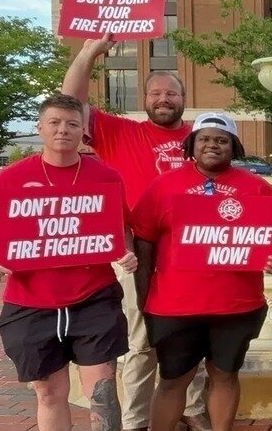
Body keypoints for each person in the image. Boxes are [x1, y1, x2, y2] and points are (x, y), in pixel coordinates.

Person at [62, 33, 208, 430]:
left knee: (192, 333)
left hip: (192, 251)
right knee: (141, 339)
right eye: (156, 93)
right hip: (137, 249)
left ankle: (193, 409)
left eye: (171, 93)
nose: (164, 99)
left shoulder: (203, 138)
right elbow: (70, 103)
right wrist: (89, 52)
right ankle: (136, 419)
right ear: (144, 100)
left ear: (183, 98)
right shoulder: (122, 132)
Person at [0, 93, 138, 430]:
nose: (63, 130)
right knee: (49, 393)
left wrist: (126, 250)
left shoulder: (106, 176)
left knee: (103, 393)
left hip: (93, 297)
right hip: (30, 301)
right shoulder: (12, 178)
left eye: (72, 124)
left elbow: (121, 226)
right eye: (55, 122)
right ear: (40, 128)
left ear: (83, 131)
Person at [132, 112, 272, 431]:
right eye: (204, 139)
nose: (212, 145)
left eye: (222, 140)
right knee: (173, 379)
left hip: (237, 305)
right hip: (174, 306)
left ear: (234, 147)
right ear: (191, 144)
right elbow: (144, 242)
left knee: (225, 375)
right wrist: (144, 298)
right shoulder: (164, 186)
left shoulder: (256, 187)